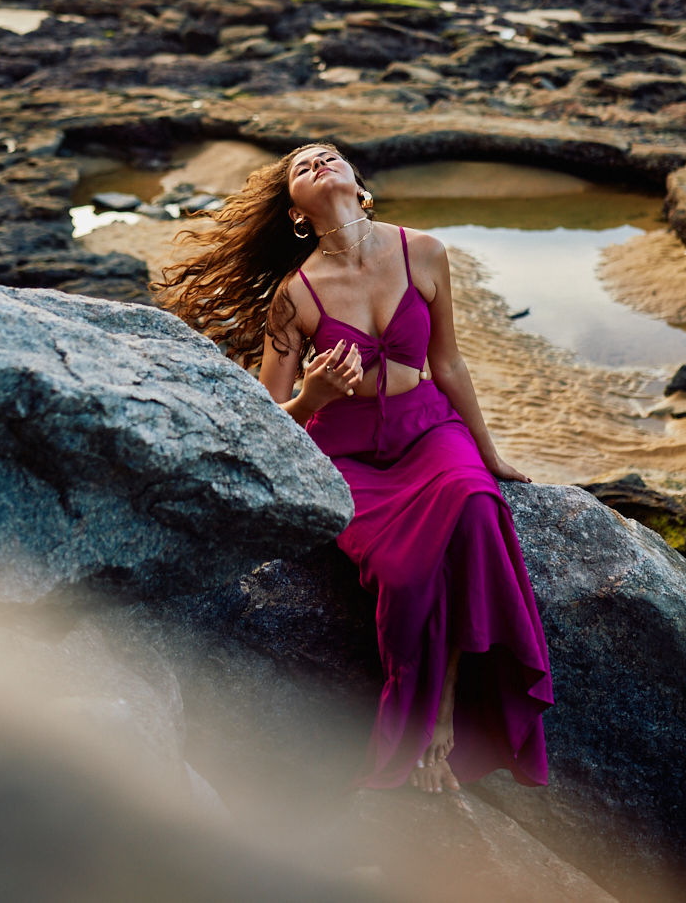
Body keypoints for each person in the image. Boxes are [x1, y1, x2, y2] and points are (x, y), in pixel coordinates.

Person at [156, 144, 552, 797]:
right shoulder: (294, 296)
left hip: (429, 430)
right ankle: (408, 723)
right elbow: (266, 415)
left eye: (330, 155)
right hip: (344, 453)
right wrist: (311, 396)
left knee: (478, 505)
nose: (319, 161)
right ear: (295, 213)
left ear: (356, 183)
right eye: (301, 165)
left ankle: (445, 712)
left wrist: (488, 452)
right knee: (401, 574)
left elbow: (448, 364)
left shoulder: (424, 251)